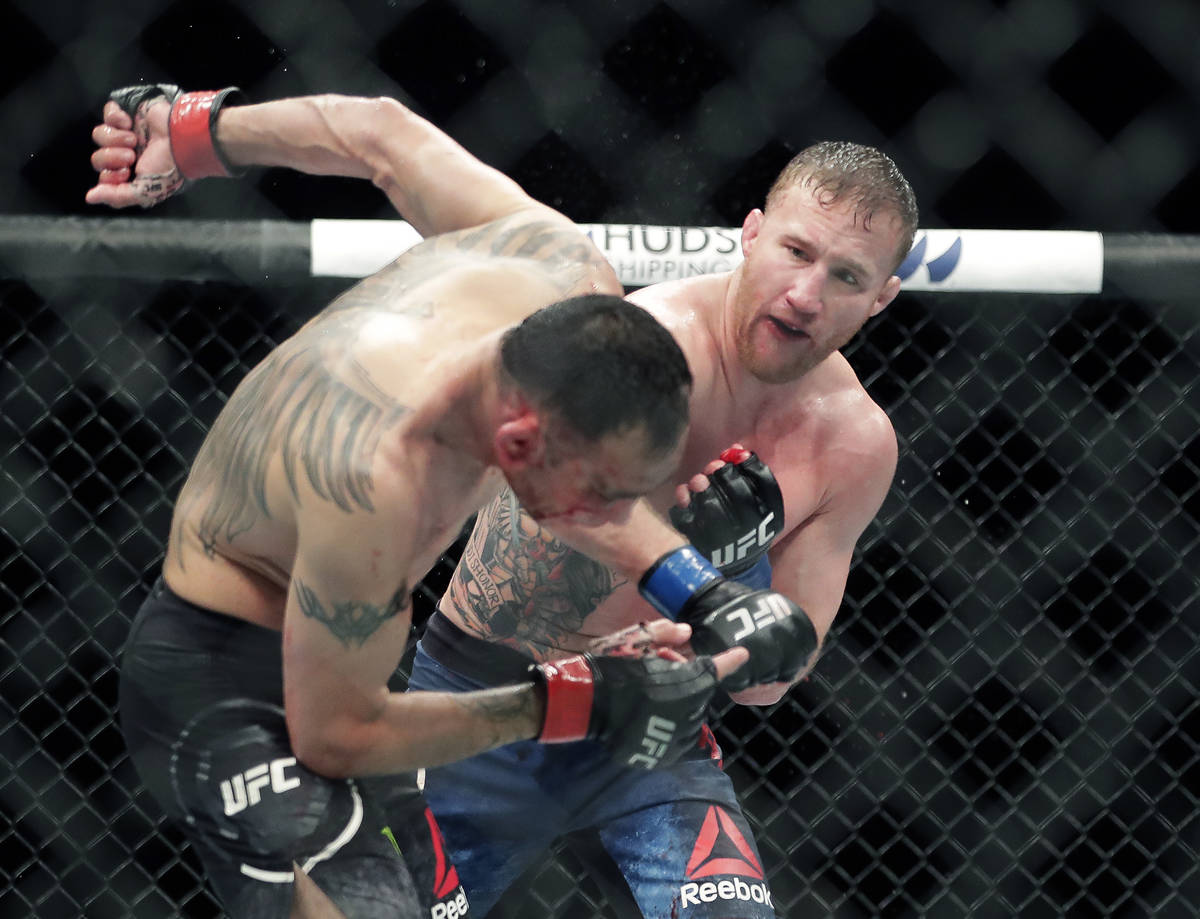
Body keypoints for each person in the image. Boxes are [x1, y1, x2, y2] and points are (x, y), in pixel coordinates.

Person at [89, 85, 917, 918]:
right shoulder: (372, 485)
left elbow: (379, 129)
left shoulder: (563, 271)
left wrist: (195, 131)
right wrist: (573, 696)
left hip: (483, 678)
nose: (605, 512)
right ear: (518, 450)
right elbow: (336, 731)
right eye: (598, 493)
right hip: (255, 677)